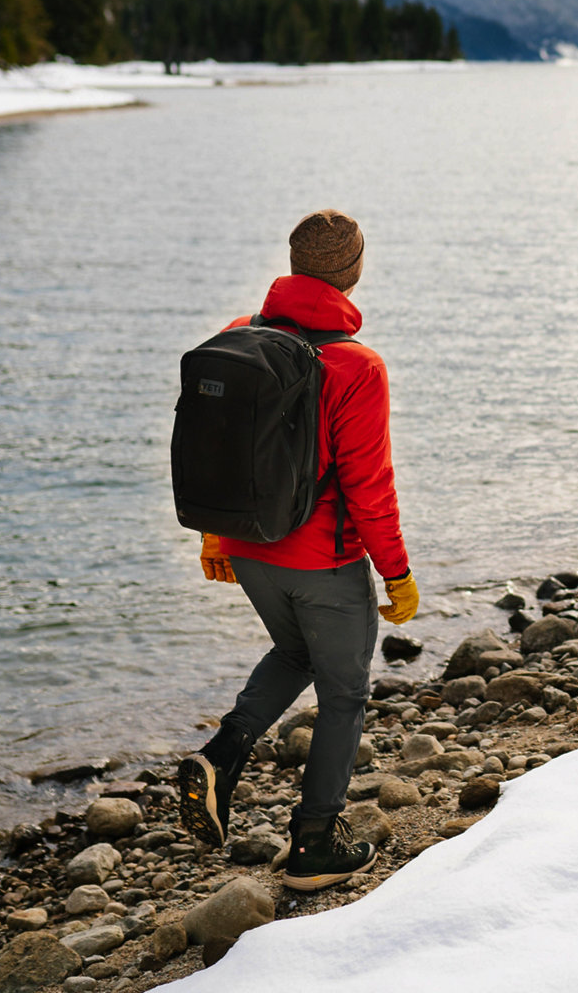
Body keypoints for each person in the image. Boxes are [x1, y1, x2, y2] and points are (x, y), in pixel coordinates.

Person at [176, 209, 420, 891]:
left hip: (250, 550)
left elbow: (210, 447)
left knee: (294, 652)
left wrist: (215, 536)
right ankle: (315, 843)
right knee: (344, 694)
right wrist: (396, 574)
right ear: (353, 272)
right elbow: (371, 488)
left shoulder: (234, 338)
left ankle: (223, 756)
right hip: (324, 563)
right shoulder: (357, 366)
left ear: (292, 264)